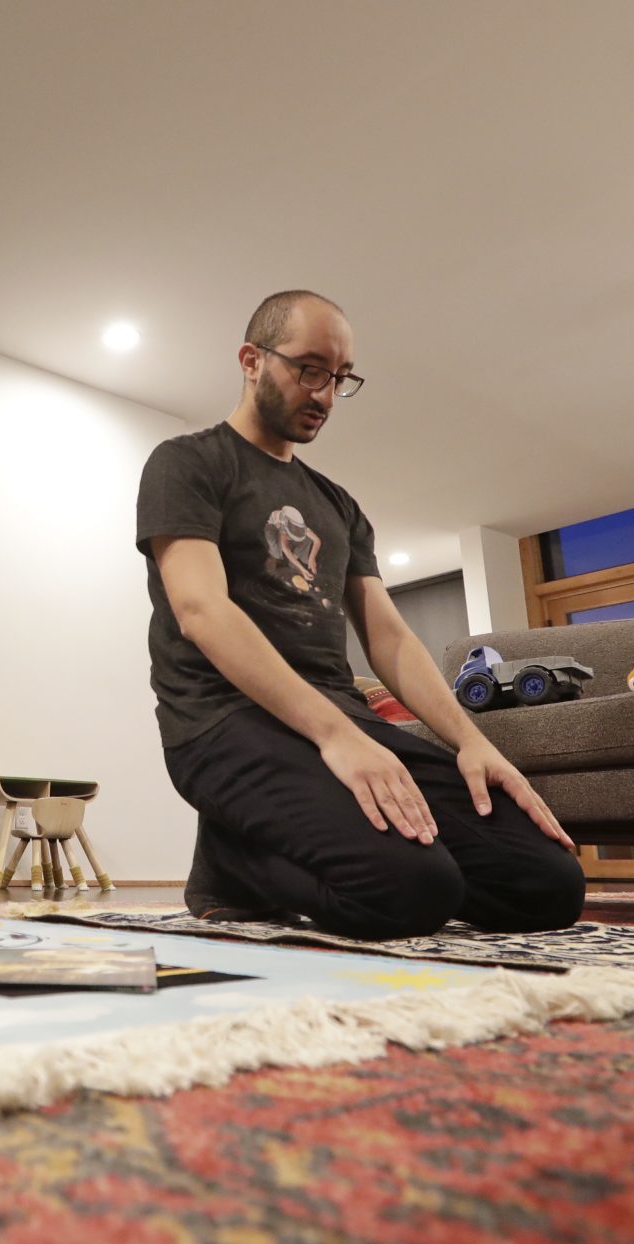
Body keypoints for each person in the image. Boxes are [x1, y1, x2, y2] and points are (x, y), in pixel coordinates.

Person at [136, 290, 585, 938]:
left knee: (548, 885)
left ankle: (280, 852)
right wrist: (336, 735)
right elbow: (201, 610)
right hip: (220, 723)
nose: (324, 392)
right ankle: (233, 869)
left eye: (340, 378)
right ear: (251, 360)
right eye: (309, 368)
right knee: (414, 891)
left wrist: (472, 742)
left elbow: (389, 635)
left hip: (340, 719)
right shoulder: (187, 463)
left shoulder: (337, 505)